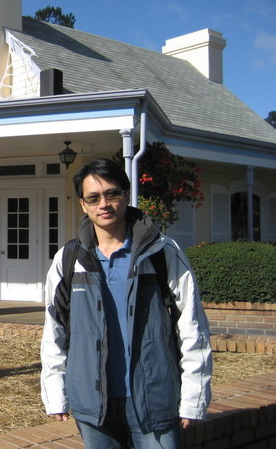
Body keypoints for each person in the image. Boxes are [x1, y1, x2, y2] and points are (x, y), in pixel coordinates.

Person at [40, 158, 212, 448]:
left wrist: (194, 397)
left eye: (112, 194)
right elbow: (54, 330)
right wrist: (55, 392)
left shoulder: (161, 252)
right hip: (93, 404)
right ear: (83, 204)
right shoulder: (68, 259)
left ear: (127, 195)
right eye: (93, 198)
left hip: (154, 398)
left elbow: (193, 325)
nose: (103, 204)